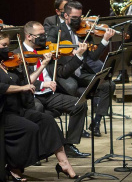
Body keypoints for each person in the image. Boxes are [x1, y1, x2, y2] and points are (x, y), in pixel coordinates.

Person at [0, 31, 81, 181]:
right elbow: (2, 87)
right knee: (31, 128)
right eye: (3, 45)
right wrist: (22, 88)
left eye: (8, 45)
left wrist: (42, 65)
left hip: (19, 109)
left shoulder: (10, 64)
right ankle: (14, 166)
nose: (7, 49)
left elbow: (27, 81)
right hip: (4, 113)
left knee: (47, 120)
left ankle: (64, 163)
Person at [20, 21, 90, 159]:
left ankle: (69, 145)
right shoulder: (19, 54)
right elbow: (21, 80)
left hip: (49, 95)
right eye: (40, 35)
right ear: (29, 36)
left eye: (44, 34)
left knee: (79, 104)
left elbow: (63, 73)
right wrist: (42, 84)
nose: (44, 37)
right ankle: (37, 150)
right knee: (38, 110)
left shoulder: (47, 50)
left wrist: (78, 56)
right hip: (31, 96)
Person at [46, 0, 117, 137]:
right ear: (65, 16)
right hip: (64, 73)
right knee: (72, 87)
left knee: (108, 85)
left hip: (80, 73)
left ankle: (96, 122)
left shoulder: (84, 32)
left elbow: (94, 57)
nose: (78, 20)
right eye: (74, 17)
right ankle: (78, 128)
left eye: (79, 17)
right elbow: (50, 48)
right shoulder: (56, 30)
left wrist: (105, 39)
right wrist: (68, 52)